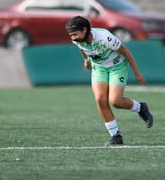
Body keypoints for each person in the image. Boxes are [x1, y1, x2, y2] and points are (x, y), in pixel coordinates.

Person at [65, 16, 153, 146]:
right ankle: (116, 137)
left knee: (116, 101)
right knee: (100, 100)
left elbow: (126, 52)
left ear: (85, 30)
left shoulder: (105, 37)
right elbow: (82, 48)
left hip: (117, 67)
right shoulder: (77, 40)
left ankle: (141, 108)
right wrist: (86, 60)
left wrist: (137, 73)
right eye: (71, 35)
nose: (73, 38)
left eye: (75, 34)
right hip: (99, 68)